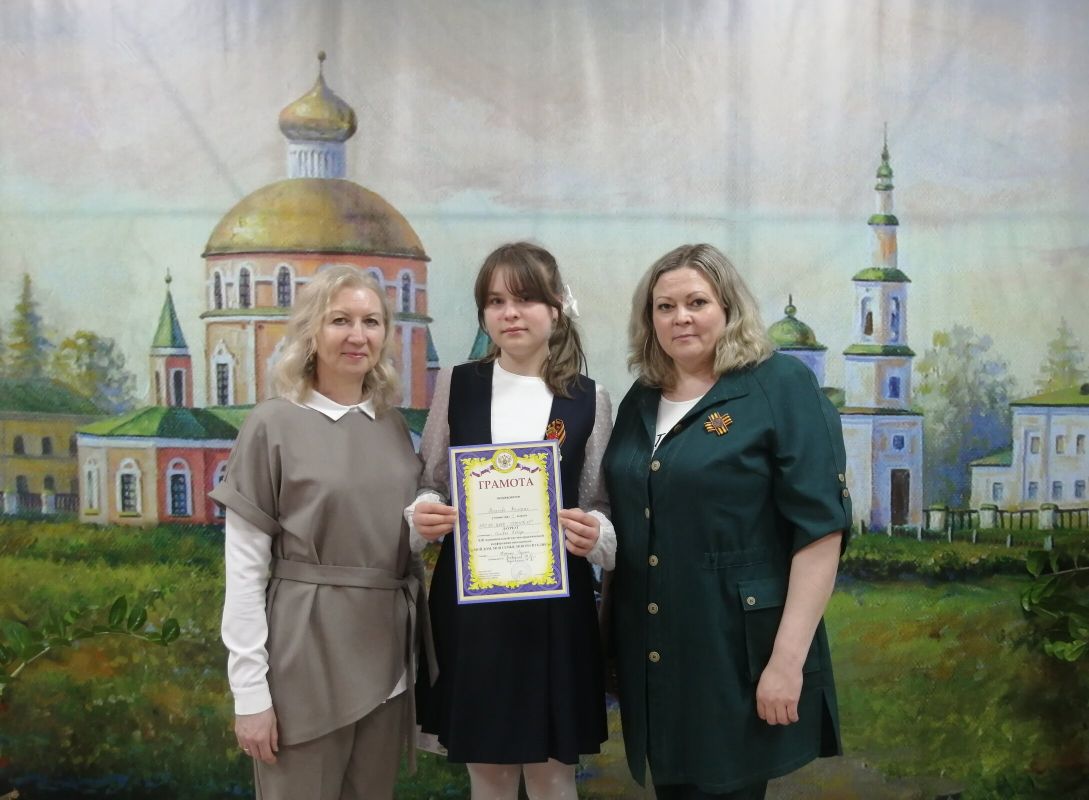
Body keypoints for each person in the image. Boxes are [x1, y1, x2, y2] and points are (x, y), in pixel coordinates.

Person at [602, 244, 851, 800]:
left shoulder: (780, 385)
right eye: (665, 307)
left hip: (738, 651)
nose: (681, 317)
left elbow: (820, 532)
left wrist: (787, 662)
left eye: (697, 302)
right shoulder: (642, 398)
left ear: (729, 308)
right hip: (655, 646)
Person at [210, 266, 429, 800]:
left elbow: (389, 538)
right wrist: (250, 694)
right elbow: (244, 570)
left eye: (371, 322)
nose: (358, 335)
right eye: (340, 320)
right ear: (311, 331)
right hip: (303, 660)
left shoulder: (392, 426)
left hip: (386, 662)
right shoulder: (272, 424)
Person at [409, 242, 613, 800]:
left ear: (556, 309)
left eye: (525, 299)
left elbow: (599, 504)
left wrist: (596, 533)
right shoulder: (457, 385)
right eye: (495, 301)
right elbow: (431, 482)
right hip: (472, 607)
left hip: (556, 610)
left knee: (553, 775)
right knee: (488, 773)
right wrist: (423, 512)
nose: (510, 313)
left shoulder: (590, 399)